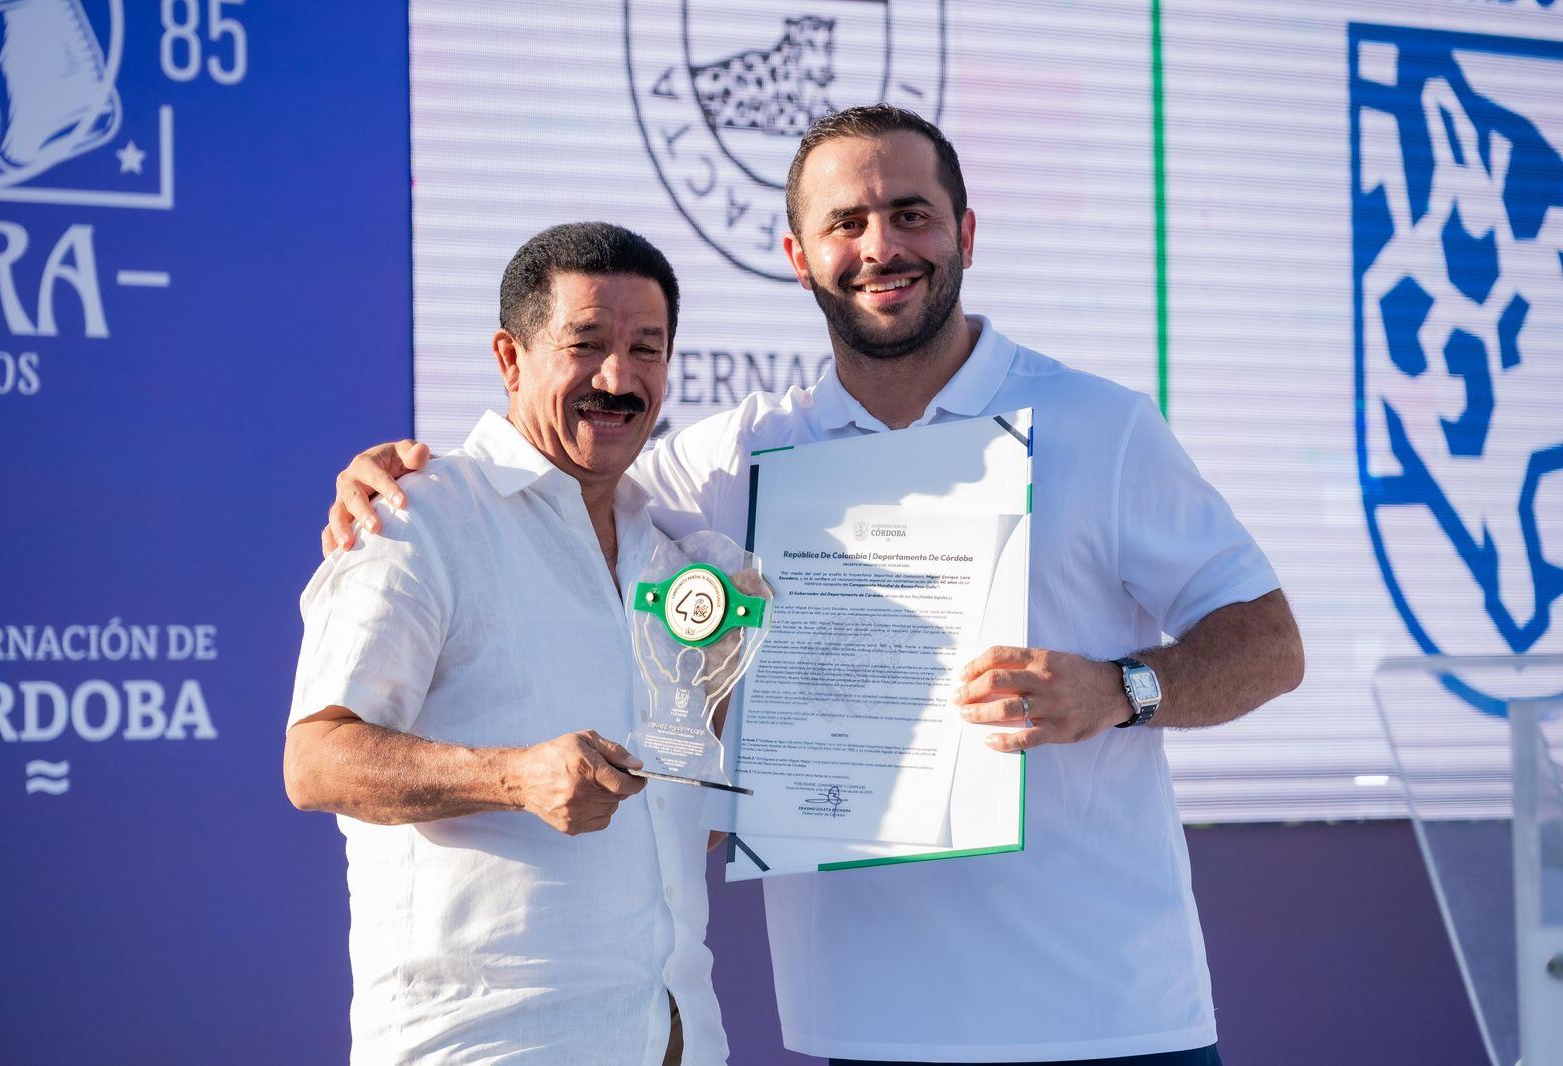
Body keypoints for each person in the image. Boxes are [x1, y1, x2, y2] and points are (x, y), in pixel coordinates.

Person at [322, 107, 1304, 1065]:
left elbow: (1269, 644)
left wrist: (1118, 690)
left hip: (1108, 1021)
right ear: (798, 256)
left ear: (964, 232)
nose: (882, 246)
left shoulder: (1101, 425)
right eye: (845, 223)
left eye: (911, 214)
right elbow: (553, 463)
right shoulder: (731, 460)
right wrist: (401, 478)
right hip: (861, 1027)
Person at [284, 222, 729, 1065]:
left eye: (647, 348)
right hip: (489, 1045)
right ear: (510, 359)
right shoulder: (418, 517)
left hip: (677, 1038)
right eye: (586, 343)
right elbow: (315, 761)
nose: (619, 378)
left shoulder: (672, 557)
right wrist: (514, 777)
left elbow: (683, 824)